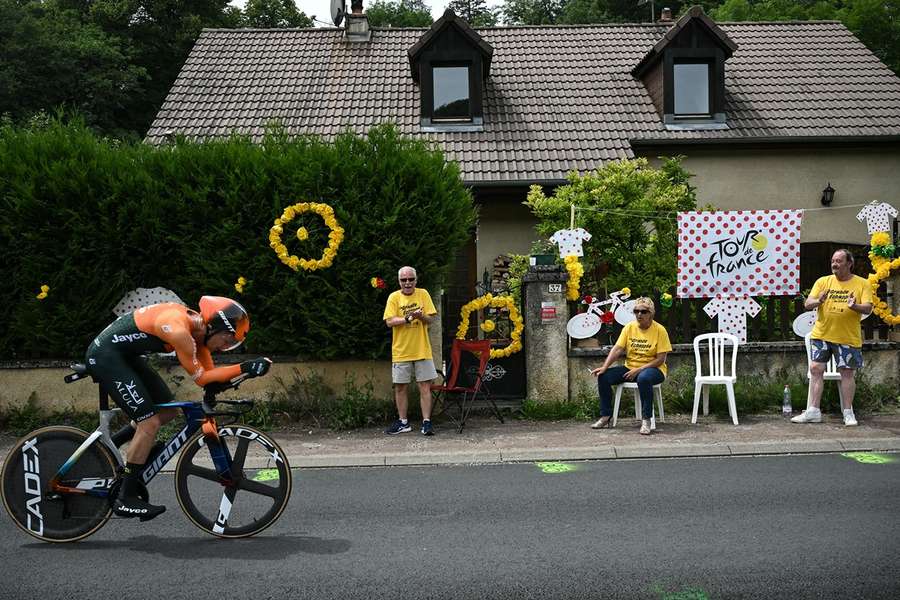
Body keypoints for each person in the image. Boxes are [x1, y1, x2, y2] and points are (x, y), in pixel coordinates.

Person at [86, 296, 272, 521]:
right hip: (106, 356)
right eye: (227, 339)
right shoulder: (181, 332)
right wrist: (244, 366)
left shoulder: (199, 335)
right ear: (213, 326)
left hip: (125, 356)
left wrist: (246, 373)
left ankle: (106, 449)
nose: (225, 347)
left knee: (167, 412)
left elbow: (211, 378)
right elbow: (203, 378)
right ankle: (124, 497)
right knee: (149, 423)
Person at [792, 249, 872, 426]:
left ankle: (848, 412)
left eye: (839, 261)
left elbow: (868, 308)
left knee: (846, 373)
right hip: (822, 335)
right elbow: (807, 304)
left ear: (849, 263)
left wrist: (855, 306)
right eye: (833, 261)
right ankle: (813, 411)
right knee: (815, 369)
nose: (834, 264)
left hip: (847, 337)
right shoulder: (823, 281)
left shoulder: (862, 284)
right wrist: (819, 301)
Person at [590, 297, 671, 435]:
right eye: (636, 311)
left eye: (643, 311)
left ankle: (646, 419)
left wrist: (639, 369)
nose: (639, 314)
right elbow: (617, 349)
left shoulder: (660, 330)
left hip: (654, 369)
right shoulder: (629, 327)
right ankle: (606, 416)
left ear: (651, 313)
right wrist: (604, 367)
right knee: (603, 376)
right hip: (630, 367)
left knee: (644, 378)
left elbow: (660, 359)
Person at [383, 266, 439, 436]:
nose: (407, 283)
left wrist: (421, 316)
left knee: (425, 387)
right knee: (400, 387)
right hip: (401, 351)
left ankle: (427, 422)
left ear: (416, 279)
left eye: (410, 279)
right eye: (404, 280)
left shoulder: (423, 294)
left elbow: (430, 319)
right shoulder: (394, 297)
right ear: (399, 281)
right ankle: (403, 422)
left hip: (422, 349)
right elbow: (389, 321)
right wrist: (408, 318)